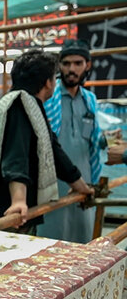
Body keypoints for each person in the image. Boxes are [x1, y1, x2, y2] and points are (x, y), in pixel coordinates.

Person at [0, 49, 94, 235]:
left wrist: (82, 188)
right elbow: (15, 157)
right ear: (47, 83)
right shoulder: (19, 107)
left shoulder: (32, 108)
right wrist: (18, 201)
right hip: (3, 214)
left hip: (11, 213)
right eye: (54, 78)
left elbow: (54, 151)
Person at [37, 39, 109, 243]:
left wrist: (107, 140)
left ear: (87, 65)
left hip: (84, 182)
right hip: (53, 184)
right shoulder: (48, 98)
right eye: (66, 63)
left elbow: (93, 140)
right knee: (50, 243)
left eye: (78, 63)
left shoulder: (90, 100)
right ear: (59, 66)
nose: (71, 69)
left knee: (82, 240)